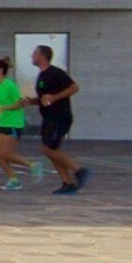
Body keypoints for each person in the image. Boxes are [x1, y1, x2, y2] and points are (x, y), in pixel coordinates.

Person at [27, 44, 88, 194]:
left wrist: (54, 97)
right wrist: (31, 101)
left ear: (42, 56)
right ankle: (68, 183)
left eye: (34, 53)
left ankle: (79, 170)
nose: (31, 56)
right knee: (52, 150)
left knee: (47, 149)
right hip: (48, 117)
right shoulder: (42, 75)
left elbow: (74, 88)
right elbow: (44, 98)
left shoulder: (55, 73)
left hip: (60, 117)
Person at [0, 55, 32, 189]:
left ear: (0, 70)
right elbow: (0, 104)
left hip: (14, 123)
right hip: (2, 123)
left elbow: (20, 103)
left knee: (6, 154)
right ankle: (14, 180)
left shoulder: (9, 85)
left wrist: (4, 108)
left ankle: (32, 166)